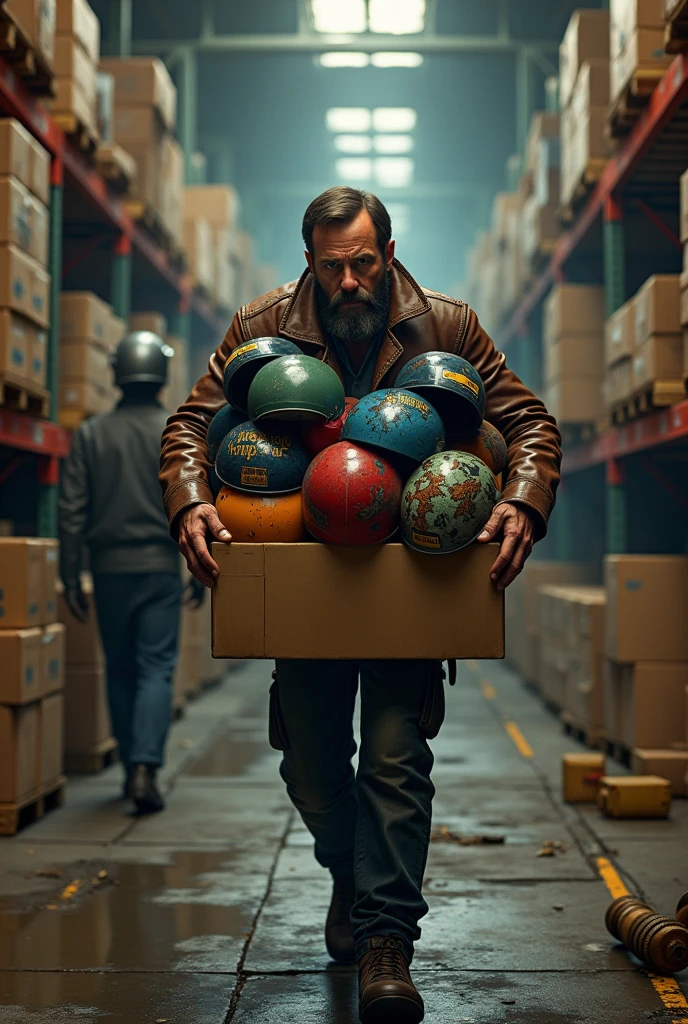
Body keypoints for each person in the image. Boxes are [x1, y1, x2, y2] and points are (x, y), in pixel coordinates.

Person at [159, 188, 562, 1023]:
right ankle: (350, 869)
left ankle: (387, 942)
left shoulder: (446, 328)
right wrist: (192, 497)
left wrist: (522, 498)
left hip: (406, 580)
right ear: (309, 261)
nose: (349, 282)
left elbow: (529, 422)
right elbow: (190, 427)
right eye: (332, 265)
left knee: (393, 757)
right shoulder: (259, 326)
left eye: (363, 263)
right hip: (305, 580)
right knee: (310, 766)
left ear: (389, 253)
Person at [59, 331, 203, 816]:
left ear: (116, 371)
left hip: (108, 568)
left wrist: (69, 570)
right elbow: (196, 497)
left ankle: (128, 769)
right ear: (160, 372)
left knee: (119, 668)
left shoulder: (91, 433)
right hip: (160, 566)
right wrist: (199, 567)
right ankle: (145, 766)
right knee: (155, 668)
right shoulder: (173, 432)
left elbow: (72, 509)